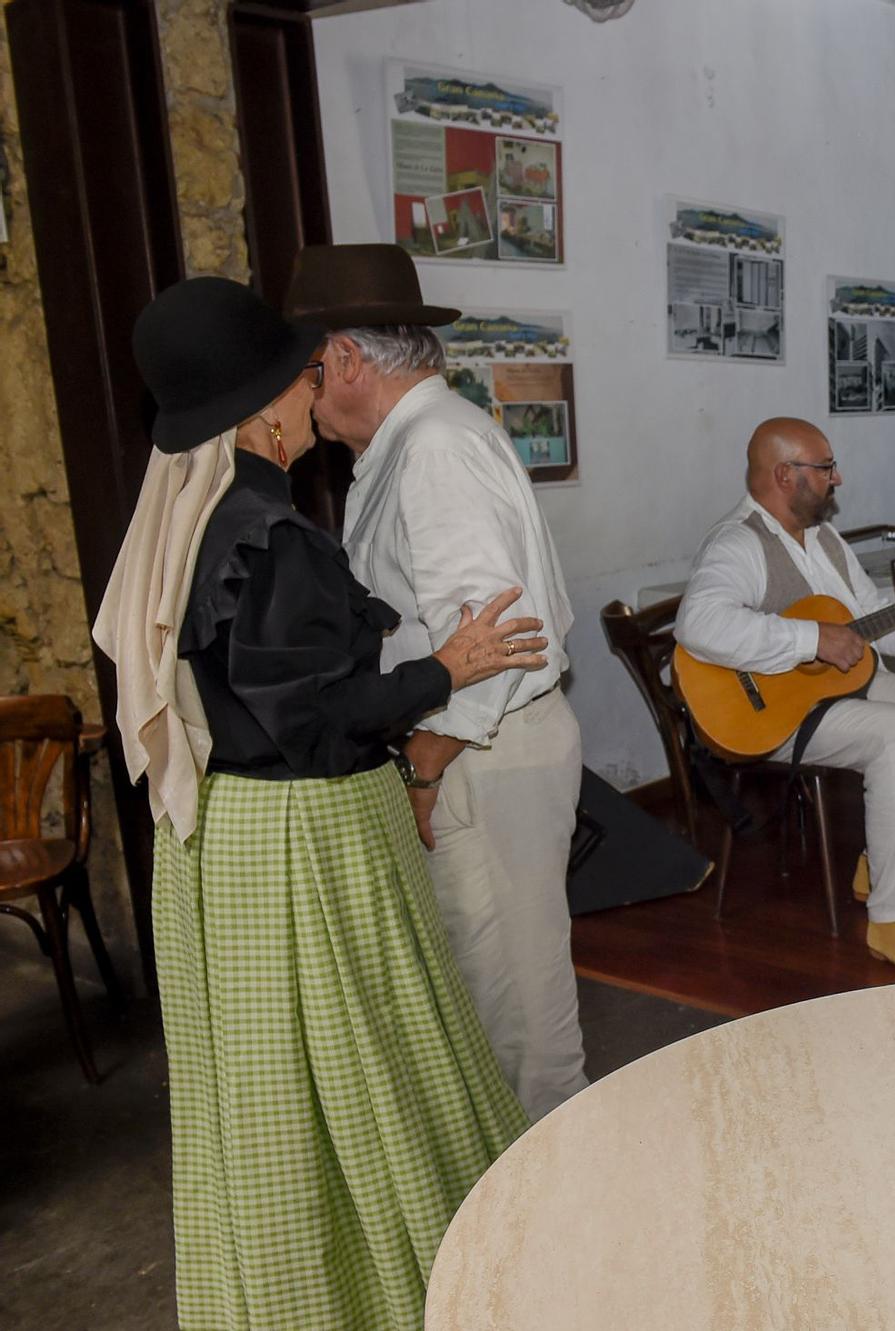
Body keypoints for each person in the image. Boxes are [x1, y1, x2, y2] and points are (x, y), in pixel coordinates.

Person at [94, 277, 540, 1328]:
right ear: (261, 408)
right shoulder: (268, 533)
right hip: (303, 834)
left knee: (264, 1084)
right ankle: (380, 1283)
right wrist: (448, 666)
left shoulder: (184, 519)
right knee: (361, 1061)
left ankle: (281, 1273)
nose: (313, 396)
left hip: (222, 834)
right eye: (303, 378)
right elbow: (319, 718)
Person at [286, 242, 588, 1122]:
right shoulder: (418, 440)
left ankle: (559, 1218)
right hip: (479, 754)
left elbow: (495, 633)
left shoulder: (435, 450)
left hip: (480, 754)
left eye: (307, 367)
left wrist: (426, 754)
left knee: (522, 1025)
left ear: (344, 360)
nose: (302, 390)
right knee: (498, 1004)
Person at [678, 418, 895, 972]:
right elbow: (698, 625)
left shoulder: (823, 539)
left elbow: (872, 625)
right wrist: (810, 637)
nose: (837, 477)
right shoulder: (739, 542)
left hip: (845, 690)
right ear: (785, 475)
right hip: (775, 714)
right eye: (826, 468)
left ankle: (888, 862)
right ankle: (893, 919)